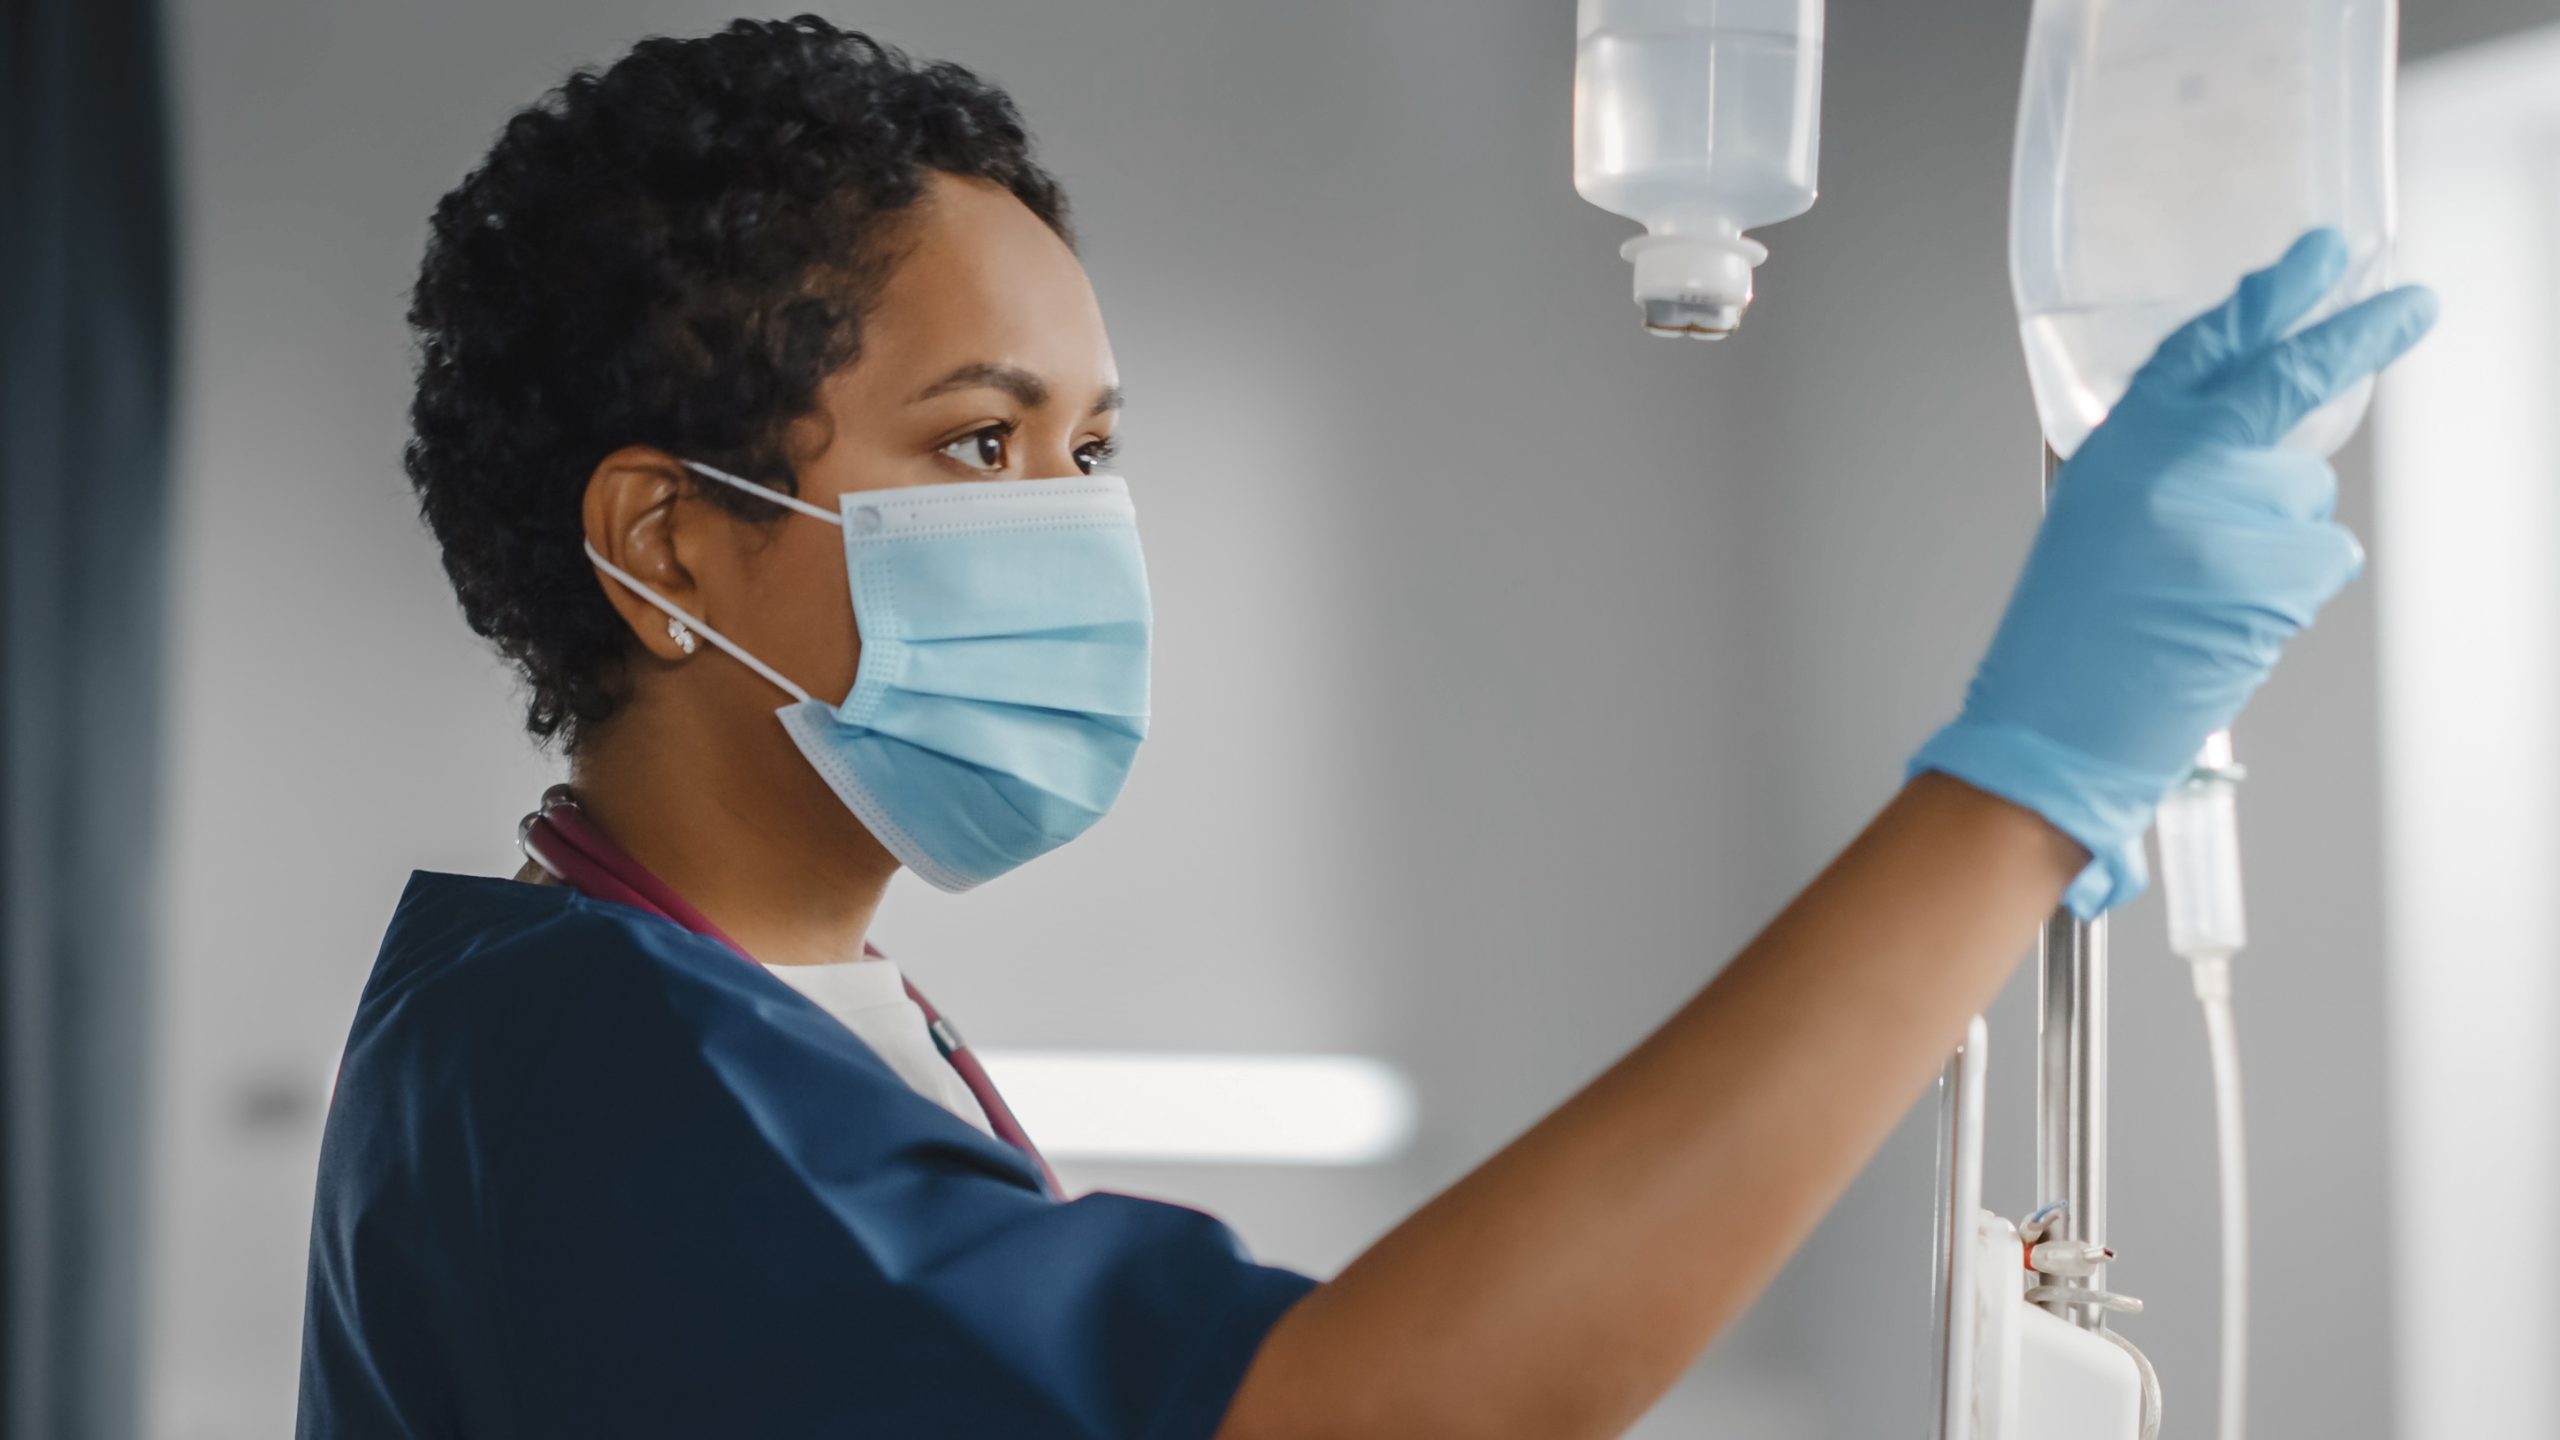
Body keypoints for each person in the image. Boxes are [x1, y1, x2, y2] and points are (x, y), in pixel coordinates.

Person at [296, 16, 2438, 1439]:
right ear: (666, 546)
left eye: (1094, 445)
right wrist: (2017, 792)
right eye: (976, 449)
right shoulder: (599, 1082)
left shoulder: (739, 1020)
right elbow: (1369, 1414)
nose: (1077, 528)